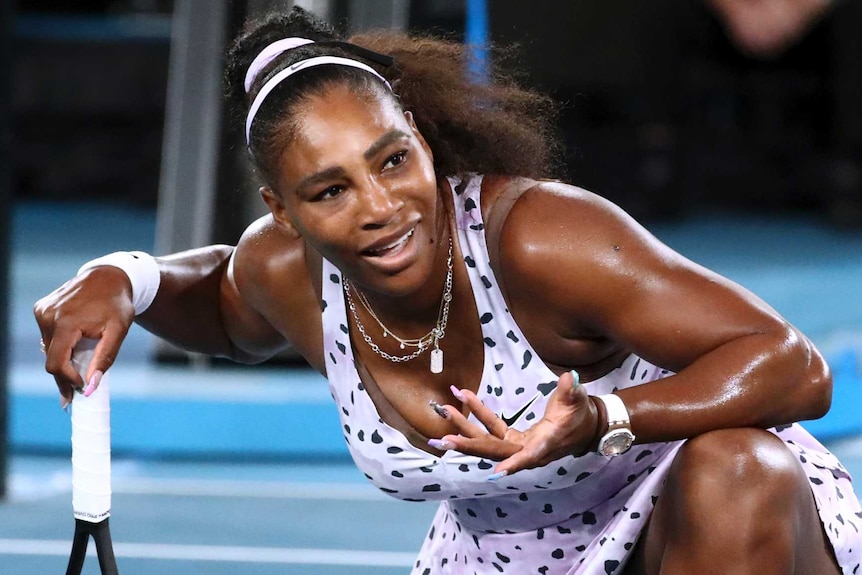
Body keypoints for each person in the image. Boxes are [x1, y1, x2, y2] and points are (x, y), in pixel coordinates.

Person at [33, 7, 861, 575]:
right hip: (505, 557)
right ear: (281, 213)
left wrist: (608, 419)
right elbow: (218, 302)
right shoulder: (287, 274)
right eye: (330, 191)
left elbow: (791, 364)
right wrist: (127, 279)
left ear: (424, 142)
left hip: (701, 528)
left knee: (740, 466)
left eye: (393, 160)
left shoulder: (539, 237)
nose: (382, 208)